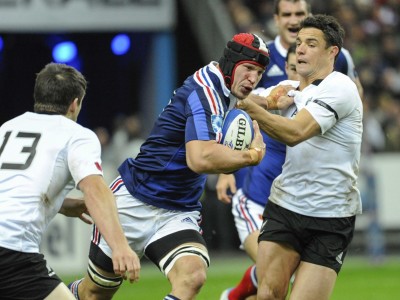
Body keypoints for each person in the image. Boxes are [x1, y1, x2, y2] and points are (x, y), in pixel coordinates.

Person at [68, 32, 268, 300]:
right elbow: (198, 159)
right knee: (94, 294)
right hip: (134, 200)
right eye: (249, 69)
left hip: (177, 210)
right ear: (231, 64)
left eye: (259, 72)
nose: (253, 79)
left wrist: (272, 101)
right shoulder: (205, 91)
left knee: (193, 276)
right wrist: (251, 156)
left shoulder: (225, 86)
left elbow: (243, 101)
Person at [218, 1, 364, 299]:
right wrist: (257, 102)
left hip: (330, 216)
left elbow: (296, 133)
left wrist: (253, 109)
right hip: (286, 207)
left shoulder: (340, 87)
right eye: (298, 43)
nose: (301, 49)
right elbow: (237, 100)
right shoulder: (289, 90)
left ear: (332, 52)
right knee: (269, 293)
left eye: (311, 44)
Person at [0, 63, 140, 300]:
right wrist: (120, 246)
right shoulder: (77, 135)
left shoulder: (7, 128)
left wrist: (62, 205)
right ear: (75, 103)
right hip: (12, 251)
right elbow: (95, 188)